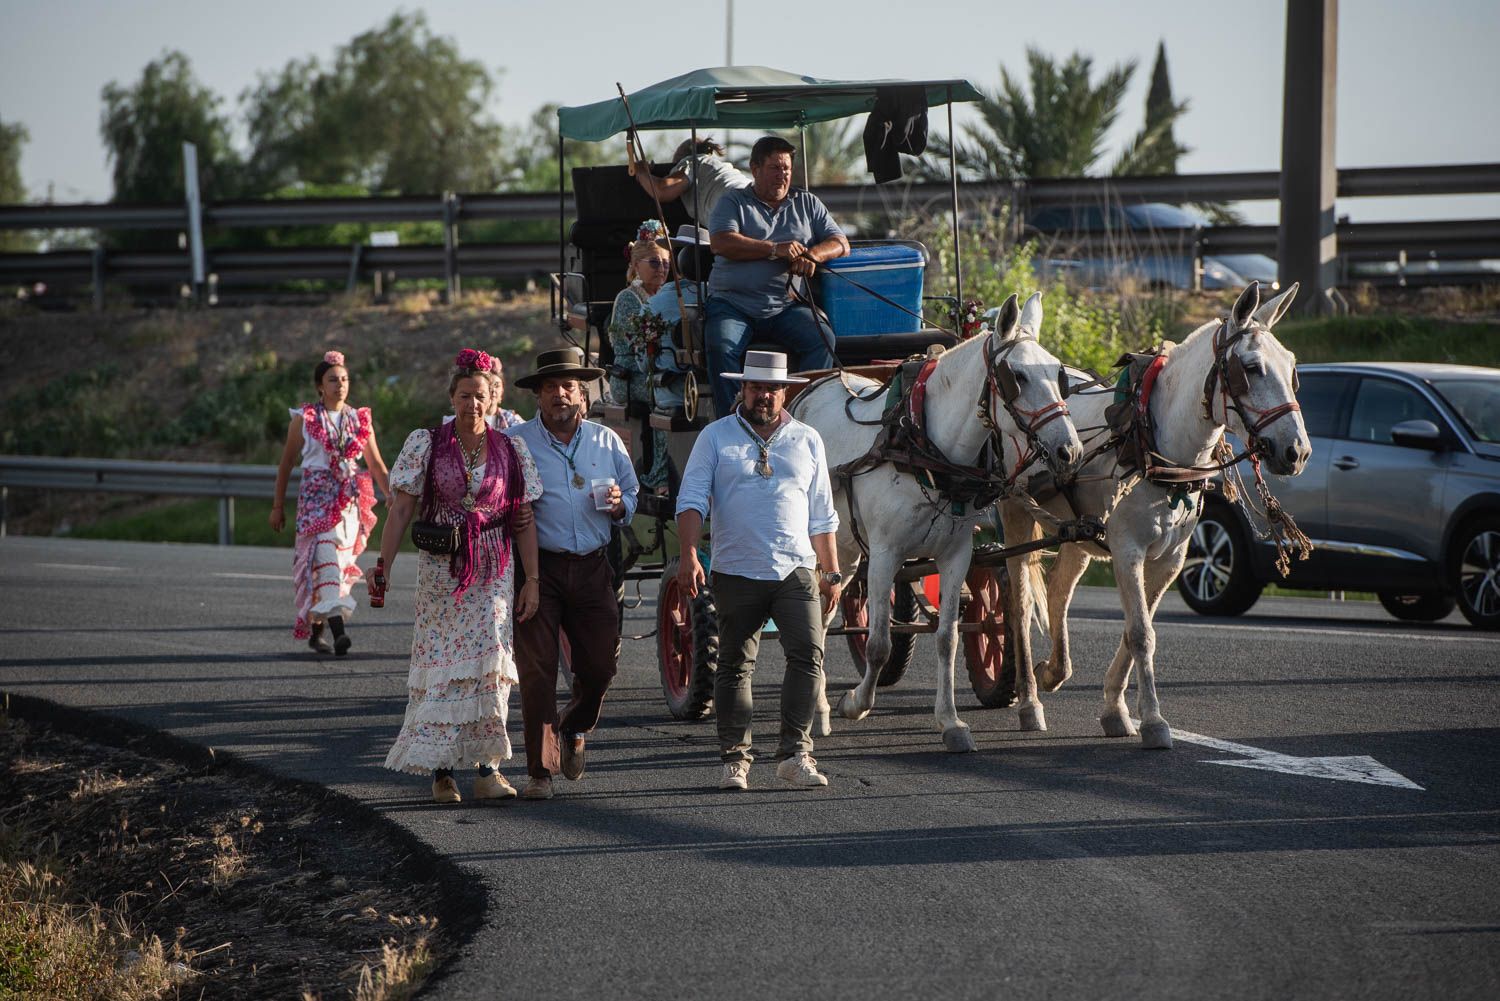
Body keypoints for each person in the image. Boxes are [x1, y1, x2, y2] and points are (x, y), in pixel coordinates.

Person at [376, 348, 544, 805]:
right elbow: (402, 509)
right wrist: (383, 566)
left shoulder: (511, 448)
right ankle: (442, 772)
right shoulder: (426, 443)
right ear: (452, 397)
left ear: (494, 400)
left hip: (494, 566)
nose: (473, 403)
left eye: (481, 395)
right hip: (440, 572)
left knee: (490, 661)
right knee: (444, 669)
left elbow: (523, 517)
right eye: (465, 394)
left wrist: (532, 579)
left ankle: (488, 769)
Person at [674, 350, 842, 791]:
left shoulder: (808, 439)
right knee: (733, 664)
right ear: (742, 389)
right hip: (736, 569)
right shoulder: (715, 437)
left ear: (785, 391)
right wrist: (689, 553)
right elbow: (691, 498)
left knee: (808, 656)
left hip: (797, 569)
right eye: (755, 387)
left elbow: (822, 514)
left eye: (771, 388)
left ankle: (795, 753)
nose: (763, 395)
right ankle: (735, 759)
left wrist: (832, 572)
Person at [507, 347, 639, 801]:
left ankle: (574, 726)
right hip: (537, 571)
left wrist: (622, 504)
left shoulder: (607, 441)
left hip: (593, 567)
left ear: (582, 394)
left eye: (568, 387)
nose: (560, 395)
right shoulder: (517, 442)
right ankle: (540, 772)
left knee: (601, 666)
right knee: (537, 671)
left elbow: (632, 494)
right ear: (538, 397)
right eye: (550, 388)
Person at [705, 135, 850, 418]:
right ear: (755, 168)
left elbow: (840, 242)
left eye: (786, 168)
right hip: (733, 305)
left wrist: (813, 256)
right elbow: (721, 242)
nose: (781, 174)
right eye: (774, 168)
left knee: (823, 340)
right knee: (720, 346)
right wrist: (774, 249)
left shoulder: (807, 203)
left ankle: (805, 413)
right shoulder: (733, 202)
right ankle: (730, 421)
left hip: (786, 306)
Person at [271, 349, 390, 655]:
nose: (340, 385)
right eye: (333, 379)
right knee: (325, 563)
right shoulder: (304, 419)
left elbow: (375, 463)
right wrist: (277, 506)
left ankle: (317, 630)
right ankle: (339, 632)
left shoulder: (359, 419)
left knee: (336, 567)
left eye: (345, 379)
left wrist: (390, 493)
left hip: (348, 503)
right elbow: (285, 464)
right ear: (320, 386)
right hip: (315, 502)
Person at [606, 220, 672, 487]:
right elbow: (638, 351)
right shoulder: (628, 299)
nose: (662, 269)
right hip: (631, 376)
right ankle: (660, 472)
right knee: (667, 395)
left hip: (658, 369)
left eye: (666, 263)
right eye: (655, 263)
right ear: (636, 265)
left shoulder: (668, 296)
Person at [633, 137, 748, 223]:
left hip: (733, 207)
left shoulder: (692, 161)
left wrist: (641, 171)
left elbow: (661, 191)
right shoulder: (721, 167)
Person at [442, 357, 524, 430]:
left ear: (502, 390)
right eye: (465, 396)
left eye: (497, 385)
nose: (493, 390)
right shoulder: (455, 423)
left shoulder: (510, 419)